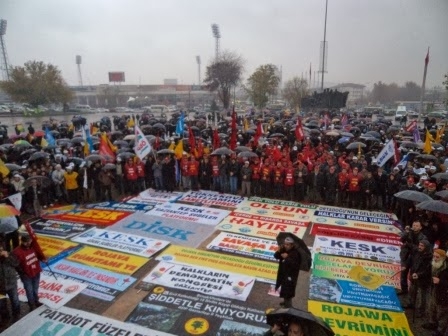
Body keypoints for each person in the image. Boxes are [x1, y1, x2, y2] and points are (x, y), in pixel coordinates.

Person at [13, 235, 47, 312]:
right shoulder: (16, 252)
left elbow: (39, 254)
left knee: (35, 288)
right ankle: (31, 304)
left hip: (36, 271)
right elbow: (15, 265)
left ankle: (36, 301)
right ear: (22, 241)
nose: (28, 243)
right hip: (26, 274)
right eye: (26, 242)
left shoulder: (34, 246)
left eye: (29, 241)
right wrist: (22, 273)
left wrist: (42, 258)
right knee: (29, 290)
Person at [421, 249, 448, 336]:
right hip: (433, 290)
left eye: (437, 257)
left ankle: (440, 331)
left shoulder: (446, 268)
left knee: (442, 313)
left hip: (444, 294)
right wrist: (418, 275)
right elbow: (426, 272)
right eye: (434, 256)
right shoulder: (433, 264)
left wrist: (440, 281)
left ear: (443, 258)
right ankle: (432, 323)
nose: (435, 258)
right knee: (432, 308)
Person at [403, 239, 433, 317]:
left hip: (423, 279)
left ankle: (421, 311)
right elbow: (410, 260)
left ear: (426, 247)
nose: (419, 247)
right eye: (419, 245)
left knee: (422, 296)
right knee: (412, 290)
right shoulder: (416, 252)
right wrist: (406, 266)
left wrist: (419, 275)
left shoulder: (429, 257)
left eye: (422, 246)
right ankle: (411, 303)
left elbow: (427, 270)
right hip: (414, 275)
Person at [274, 236, 301, 308]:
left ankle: (288, 306)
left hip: (290, 276)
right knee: (283, 289)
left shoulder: (296, 253)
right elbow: (276, 256)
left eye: (288, 244)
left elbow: (295, 265)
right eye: (285, 244)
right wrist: (278, 251)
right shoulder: (283, 250)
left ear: (292, 245)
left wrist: (287, 258)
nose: (286, 246)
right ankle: (285, 301)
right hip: (283, 273)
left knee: (288, 291)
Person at [0, 237, 20, 326]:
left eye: (1, 249)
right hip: (0, 287)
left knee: (15, 300)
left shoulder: (10, 254)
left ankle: (16, 315)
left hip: (11, 283)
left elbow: (16, 263)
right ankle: (5, 317)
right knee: (2, 304)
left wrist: (7, 257)